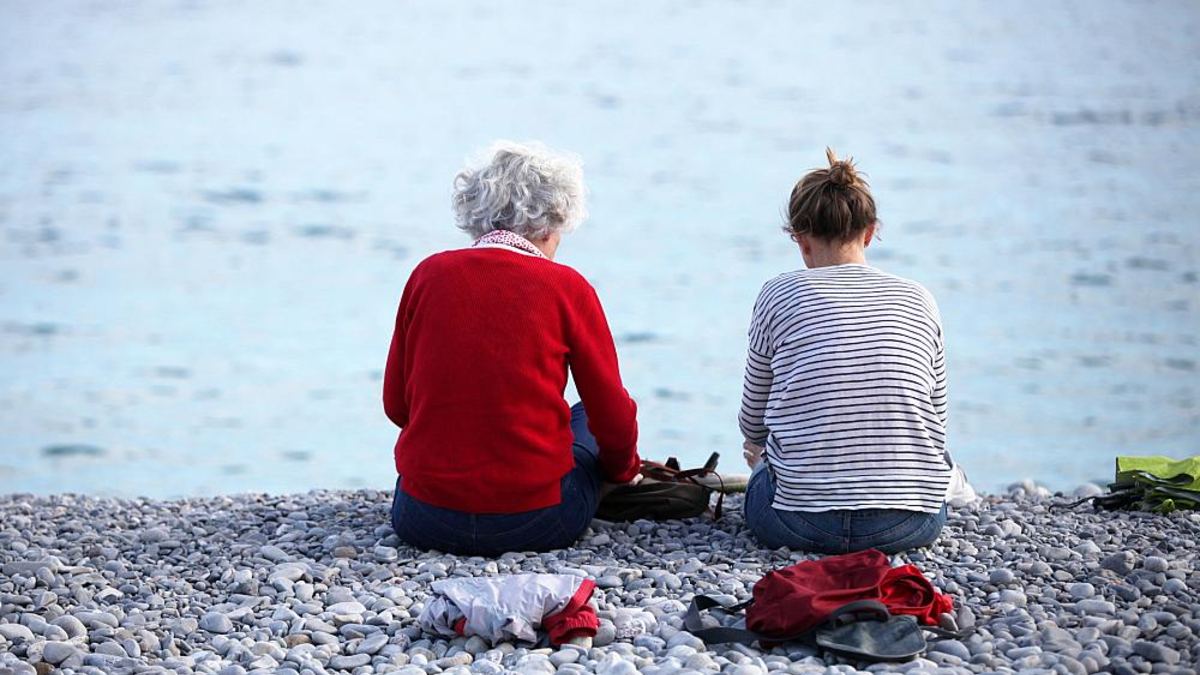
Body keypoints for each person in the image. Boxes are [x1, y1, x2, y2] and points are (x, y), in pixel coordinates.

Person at [383, 141, 640, 556]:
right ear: (551, 225)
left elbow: (397, 407)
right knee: (589, 415)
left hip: (423, 518)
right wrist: (623, 471)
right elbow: (612, 414)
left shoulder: (428, 275)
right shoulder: (566, 286)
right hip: (536, 523)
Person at [739, 148, 952, 554]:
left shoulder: (778, 293)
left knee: (764, 459)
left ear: (799, 240)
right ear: (870, 233)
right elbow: (935, 418)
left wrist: (760, 453)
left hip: (796, 521)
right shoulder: (918, 298)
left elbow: (752, 421)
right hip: (911, 522)